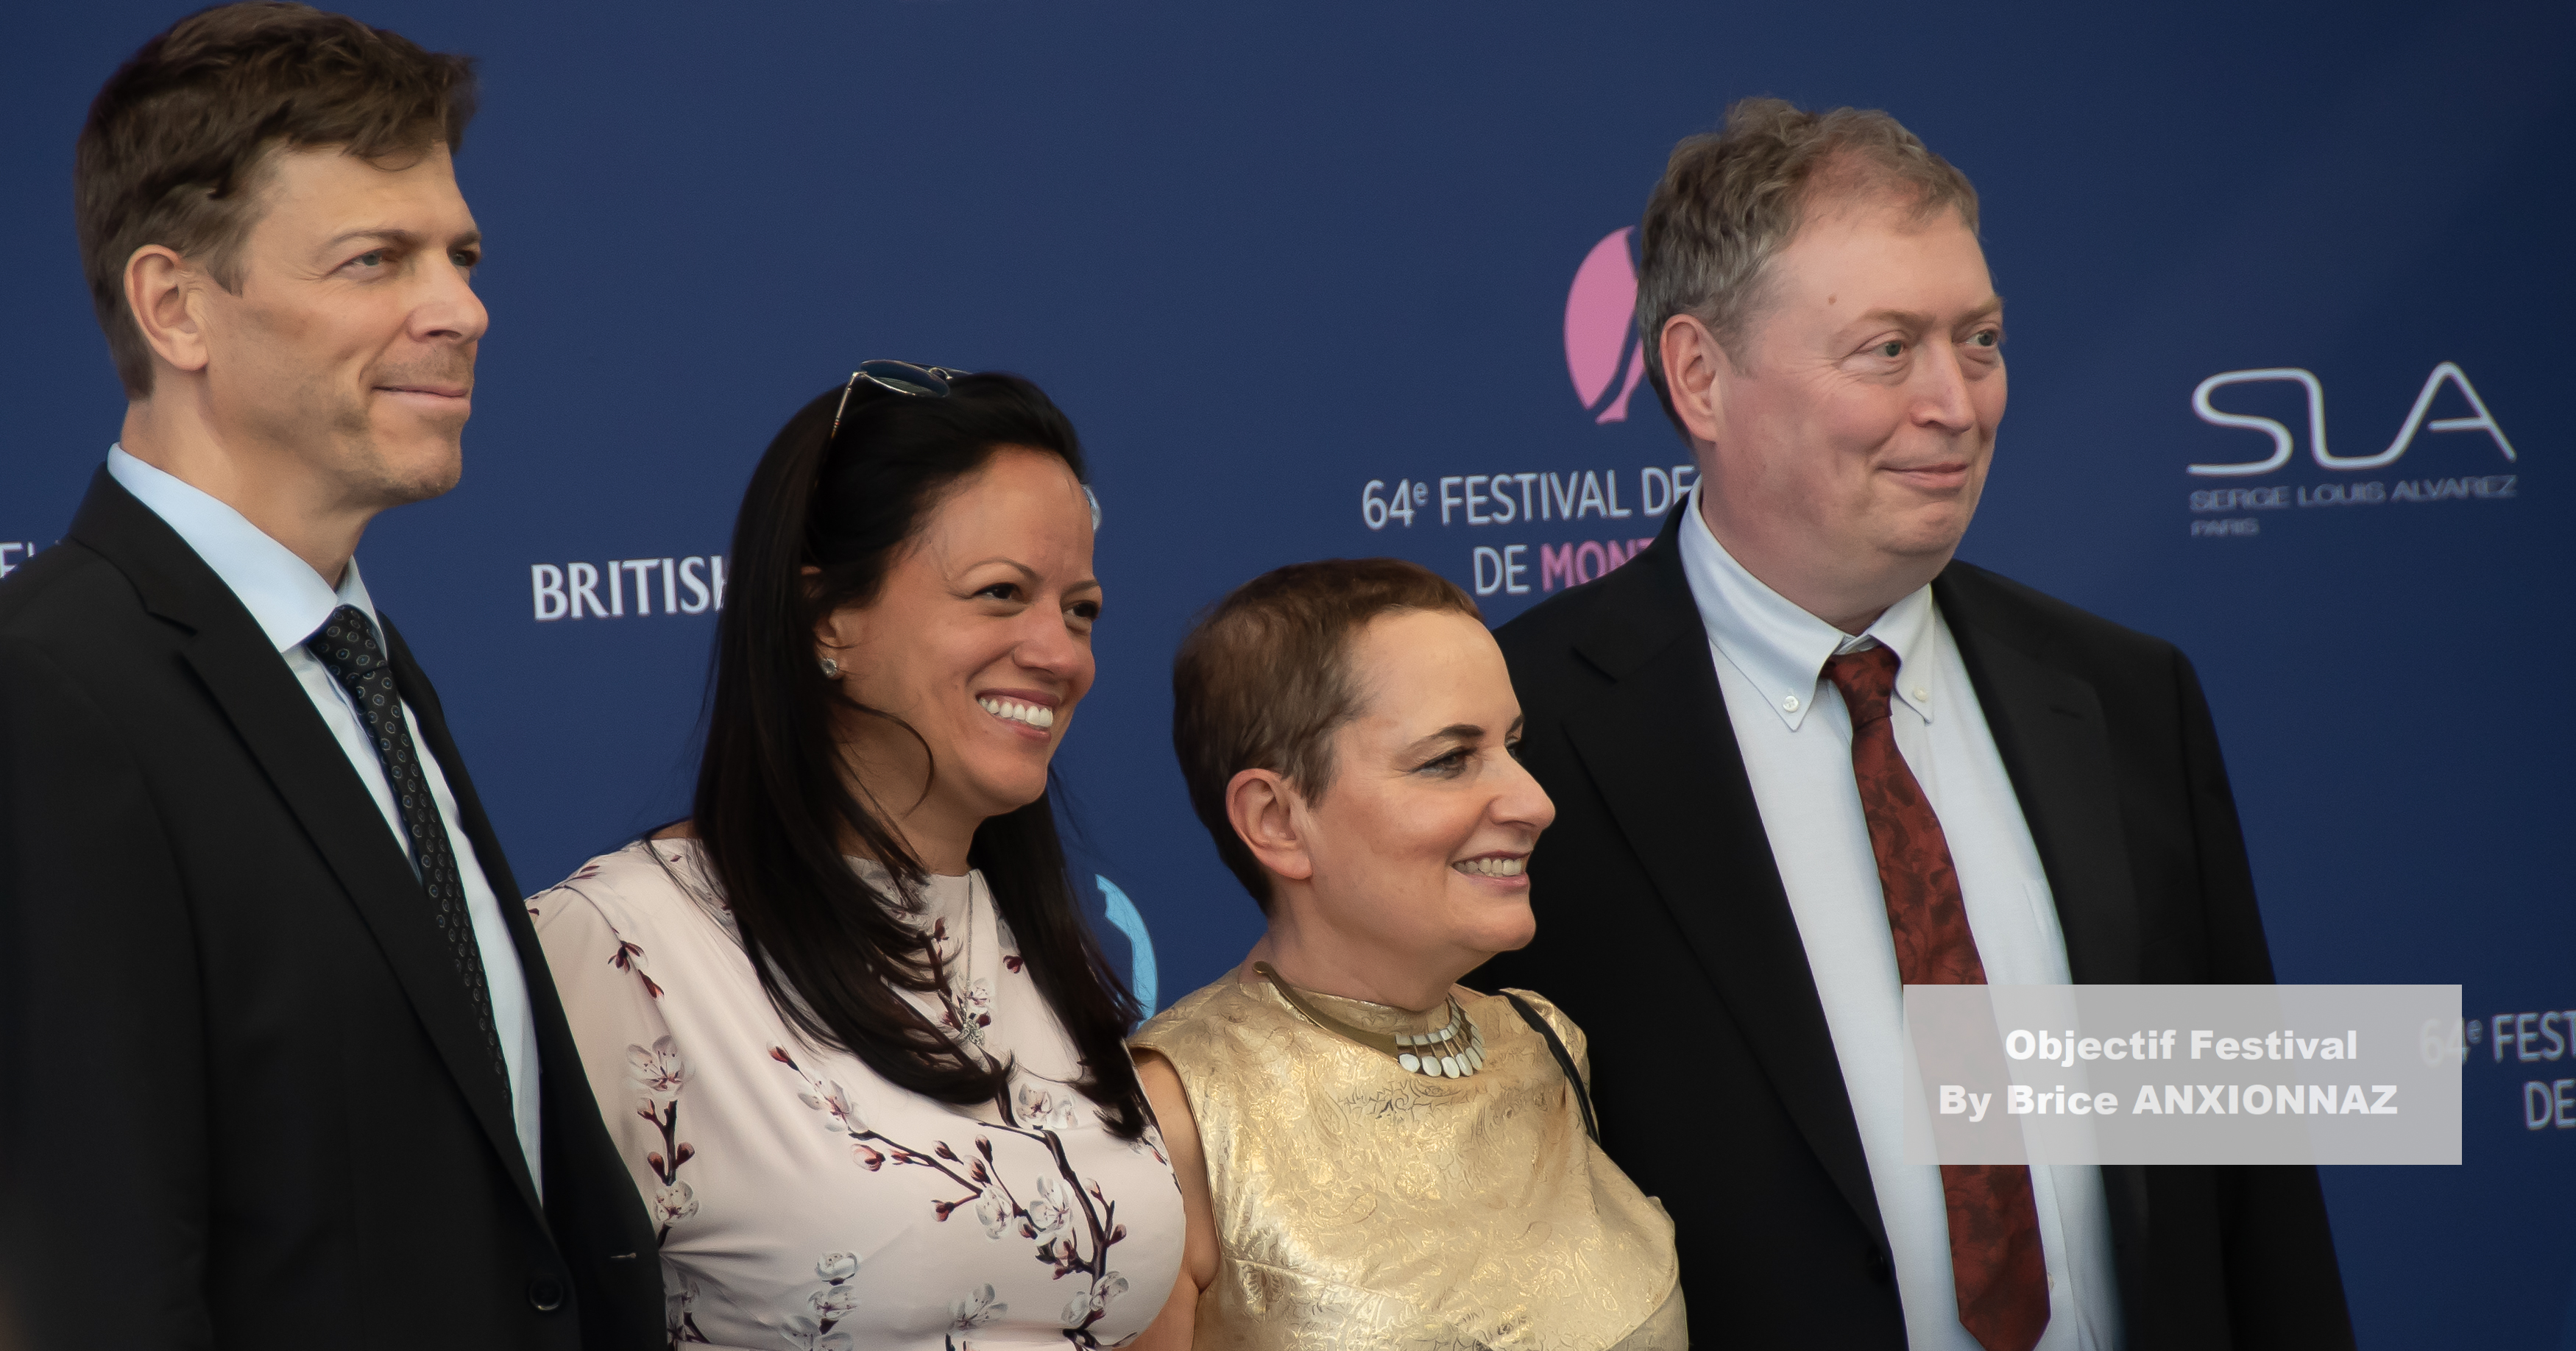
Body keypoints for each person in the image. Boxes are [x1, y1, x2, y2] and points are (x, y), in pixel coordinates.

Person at [1474, 98, 2352, 1350]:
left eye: (1980, 340)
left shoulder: (2122, 697)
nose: (1958, 402)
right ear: (1698, 376)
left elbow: (2249, 1195)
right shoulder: (1525, 733)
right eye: (1888, 349)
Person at [0, 4, 662, 1345]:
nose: (462, 309)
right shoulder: (48, 693)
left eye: (463, 256)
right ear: (176, 305)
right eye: (376, 261)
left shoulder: (357, 663)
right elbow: (95, 1279)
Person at [531, 364, 1181, 1347]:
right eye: (1001, 594)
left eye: (1080, 609)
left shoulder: (1032, 947)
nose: (1060, 652)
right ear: (827, 620)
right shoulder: (619, 948)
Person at [1129, 559, 1684, 1351]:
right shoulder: (1171, 1120)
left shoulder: (1544, 1046)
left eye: (1511, 746)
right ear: (1276, 820)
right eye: (1448, 760)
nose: (1534, 802)